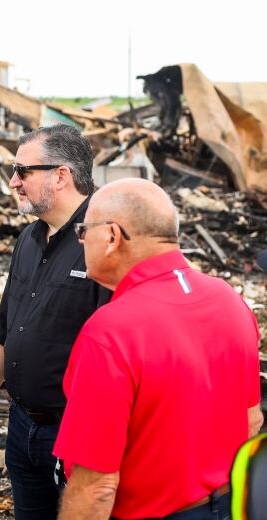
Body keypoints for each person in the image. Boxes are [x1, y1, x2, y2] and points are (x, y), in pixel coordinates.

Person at [54, 178, 264, 520]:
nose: (80, 241)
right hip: (228, 505)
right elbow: (251, 419)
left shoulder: (110, 332)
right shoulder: (229, 301)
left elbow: (96, 486)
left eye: (83, 230)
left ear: (111, 237)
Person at [0, 124, 110, 519]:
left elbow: (116, 353)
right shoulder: (29, 239)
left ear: (60, 175)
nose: (13, 182)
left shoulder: (102, 241)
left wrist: (87, 440)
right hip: (22, 425)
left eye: (23, 171)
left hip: (71, 434)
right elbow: (6, 322)